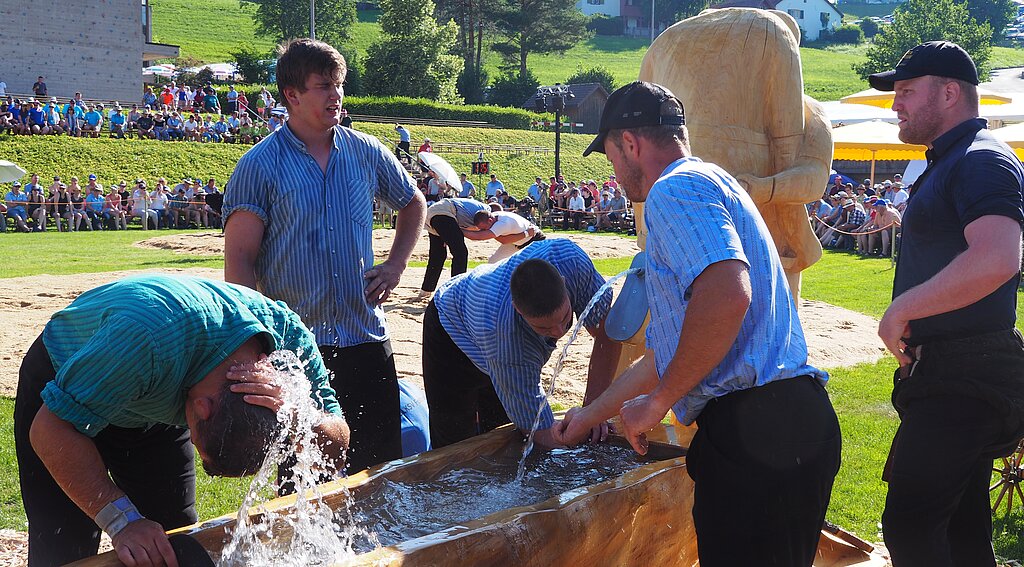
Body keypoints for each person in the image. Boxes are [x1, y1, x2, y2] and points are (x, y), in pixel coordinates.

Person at [555, 81, 840, 566]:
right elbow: (674, 352)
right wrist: (591, 415)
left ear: (630, 143)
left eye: (610, 158)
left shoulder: (673, 190)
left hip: (755, 434)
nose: (617, 176)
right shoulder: (715, 181)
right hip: (793, 420)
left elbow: (727, 293)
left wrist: (660, 404)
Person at [13, 274, 349, 566]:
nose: (189, 440)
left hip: (153, 391)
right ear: (202, 409)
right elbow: (49, 430)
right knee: (64, 547)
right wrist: (123, 522)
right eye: (195, 441)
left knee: (175, 542)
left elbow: (338, 444)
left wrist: (298, 410)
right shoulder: (146, 338)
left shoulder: (288, 340)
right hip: (64, 396)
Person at [224, 38, 427, 475]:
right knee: (304, 485)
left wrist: (395, 265)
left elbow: (413, 204)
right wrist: (252, 345)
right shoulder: (258, 166)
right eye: (323, 86)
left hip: (367, 340)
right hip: (298, 351)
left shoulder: (366, 150)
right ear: (291, 95)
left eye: (339, 84)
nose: (336, 94)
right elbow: (239, 261)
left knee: (383, 479)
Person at [866, 41, 1024, 567]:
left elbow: (999, 257)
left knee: (910, 525)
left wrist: (901, 308)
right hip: (957, 372)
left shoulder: (980, 161)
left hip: (965, 374)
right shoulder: (958, 160)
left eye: (907, 92)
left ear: (951, 92)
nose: (897, 106)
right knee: (961, 530)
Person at [423, 239, 621, 448]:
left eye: (564, 319)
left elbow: (607, 335)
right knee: (455, 441)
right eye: (544, 329)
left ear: (564, 282)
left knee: (504, 432)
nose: (559, 332)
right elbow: (539, 431)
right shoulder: (505, 338)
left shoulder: (572, 260)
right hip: (450, 329)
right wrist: (574, 434)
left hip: (485, 306)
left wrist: (592, 411)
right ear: (518, 310)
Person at [419, 197, 499, 293]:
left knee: (438, 255)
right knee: (460, 253)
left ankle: (426, 290)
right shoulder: (485, 211)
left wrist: (446, 235)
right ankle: (456, 289)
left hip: (434, 213)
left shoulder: (477, 211)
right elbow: (476, 234)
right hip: (445, 213)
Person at [470, 205, 545, 263]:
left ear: (490, 220)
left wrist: (526, 233)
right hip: (516, 241)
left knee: (536, 266)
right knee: (493, 262)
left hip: (534, 239)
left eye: (484, 228)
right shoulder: (493, 217)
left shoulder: (502, 223)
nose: (483, 230)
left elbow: (503, 240)